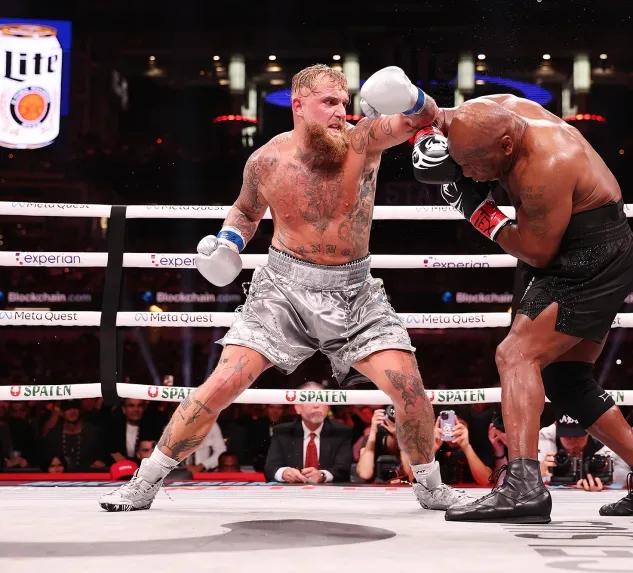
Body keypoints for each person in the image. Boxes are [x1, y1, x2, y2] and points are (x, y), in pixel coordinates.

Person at [99, 64, 470, 512]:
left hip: (353, 290)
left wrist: (412, 97)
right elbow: (246, 210)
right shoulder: (267, 160)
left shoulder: (364, 139)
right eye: (329, 102)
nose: (341, 111)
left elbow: (425, 120)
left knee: (408, 386)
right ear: (298, 105)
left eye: (344, 102)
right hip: (282, 290)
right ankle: (146, 481)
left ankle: (430, 487)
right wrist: (228, 244)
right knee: (221, 385)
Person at [360, 69, 633, 522]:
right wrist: (420, 116)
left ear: (506, 149)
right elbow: (442, 117)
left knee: (516, 356)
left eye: (474, 166)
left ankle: (522, 487)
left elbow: (536, 250)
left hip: (587, 255)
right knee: (567, 380)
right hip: (575, 247)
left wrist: (476, 210)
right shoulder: (494, 115)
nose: (470, 174)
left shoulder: (547, 166)